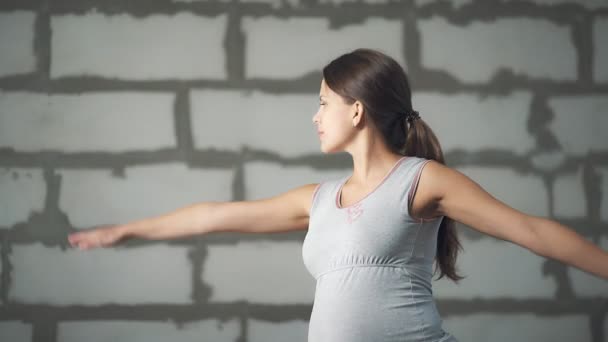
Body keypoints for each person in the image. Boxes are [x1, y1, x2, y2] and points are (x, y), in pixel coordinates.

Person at [67, 48, 608, 342]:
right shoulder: (318, 199)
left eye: (323, 102)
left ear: (355, 110)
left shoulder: (422, 181)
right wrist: (125, 230)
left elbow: (532, 231)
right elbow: (214, 215)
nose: (315, 115)